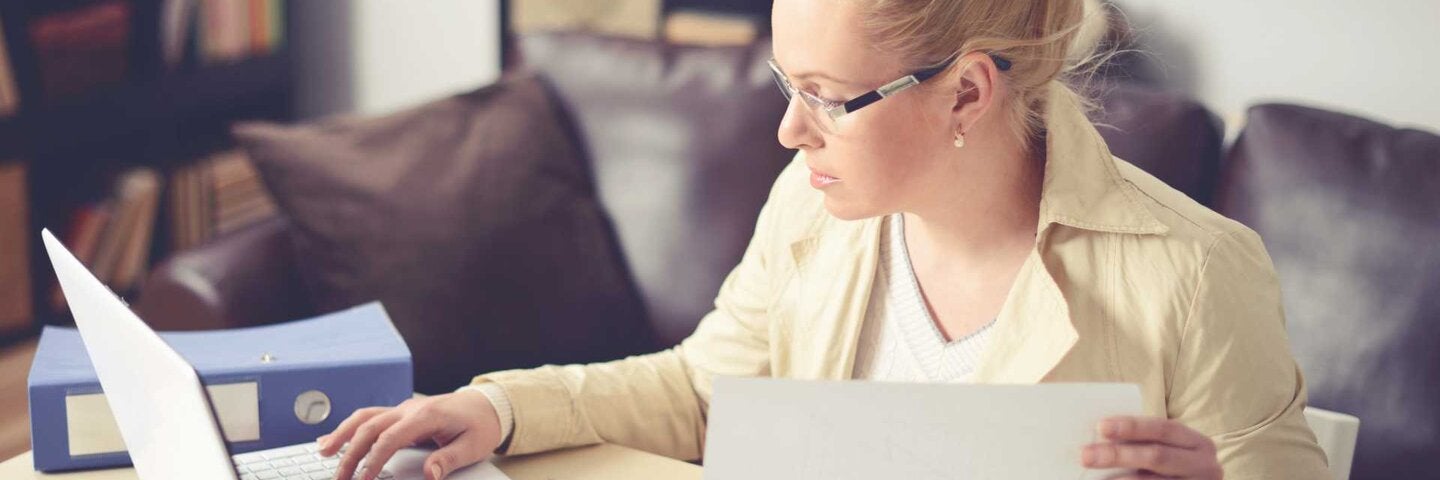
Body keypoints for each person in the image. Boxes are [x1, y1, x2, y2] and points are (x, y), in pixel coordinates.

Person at [319, 0, 1331, 478]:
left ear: (967, 93)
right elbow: (699, 393)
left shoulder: (1196, 276)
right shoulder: (812, 209)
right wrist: (495, 407)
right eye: (785, 85)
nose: (788, 130)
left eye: (824, 98)